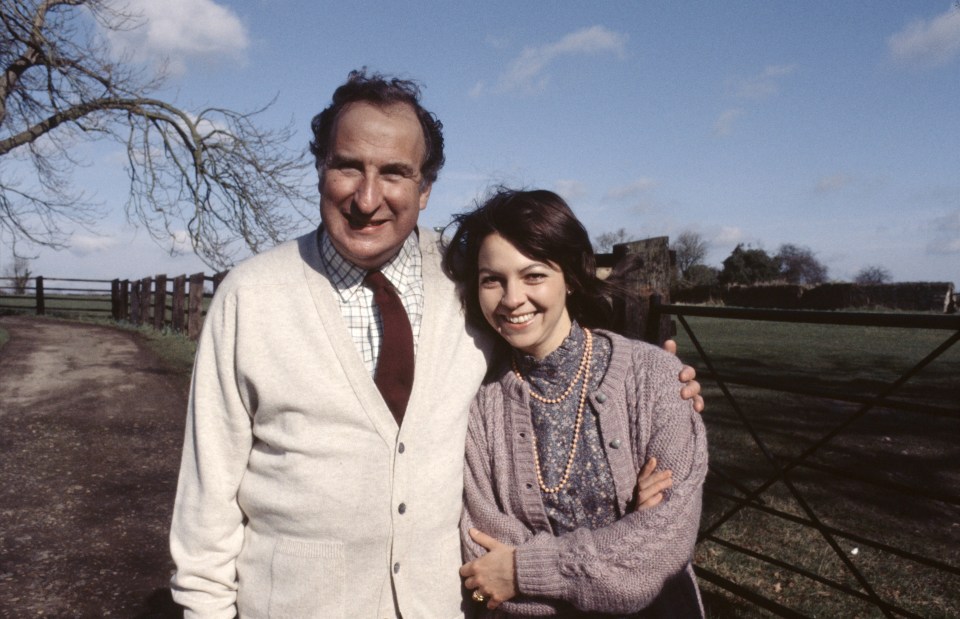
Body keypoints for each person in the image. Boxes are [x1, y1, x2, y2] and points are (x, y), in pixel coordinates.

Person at [169, 70, 702, 618]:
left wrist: (659, 381)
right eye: (348, 165)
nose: (367, 196)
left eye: (395, 172)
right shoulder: (251, 296)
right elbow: (207, 494)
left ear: (425, 190)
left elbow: (552, 327)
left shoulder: (466, 281)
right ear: (320, 170)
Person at [444, 188, 708, 617]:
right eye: (492, 279)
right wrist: (621, 543)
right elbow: (481, 551)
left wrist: (522, 570)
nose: (512, 299)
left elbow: (658, 551)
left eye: (533, 276)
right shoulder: (477, 401)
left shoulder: (658, 379)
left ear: (569, 277)